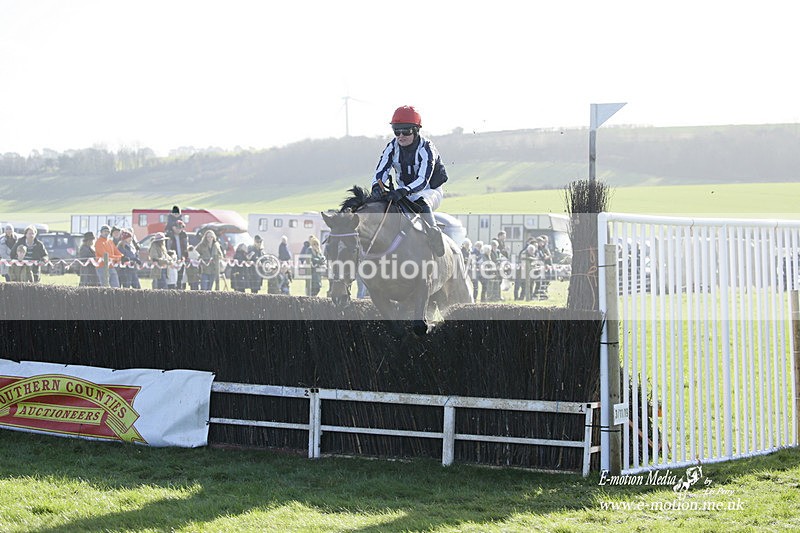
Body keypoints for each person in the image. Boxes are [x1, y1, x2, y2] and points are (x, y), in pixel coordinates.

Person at [371, 105, 448, 257]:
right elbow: (381, 171)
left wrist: (403, 190)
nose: (400, 135)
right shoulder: (391, 147)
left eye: (406, 131)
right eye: (396, 131)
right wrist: (376, 186)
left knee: (421, 202)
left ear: (416, 130)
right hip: (403, 192)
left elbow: (423, 179)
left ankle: (434, 234)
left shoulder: (427, 148)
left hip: (429, 191)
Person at [167, 220, 189, 289]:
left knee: (180, 279)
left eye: (181, 228)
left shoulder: (184, 235)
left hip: (181, 260)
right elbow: (168, 249)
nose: (179, 229)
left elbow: (185, 248)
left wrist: (184, 257)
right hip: (172, 261)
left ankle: (180, 294)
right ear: (173, 227)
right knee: (172, 280)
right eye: (177, 228)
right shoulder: (169, 235)